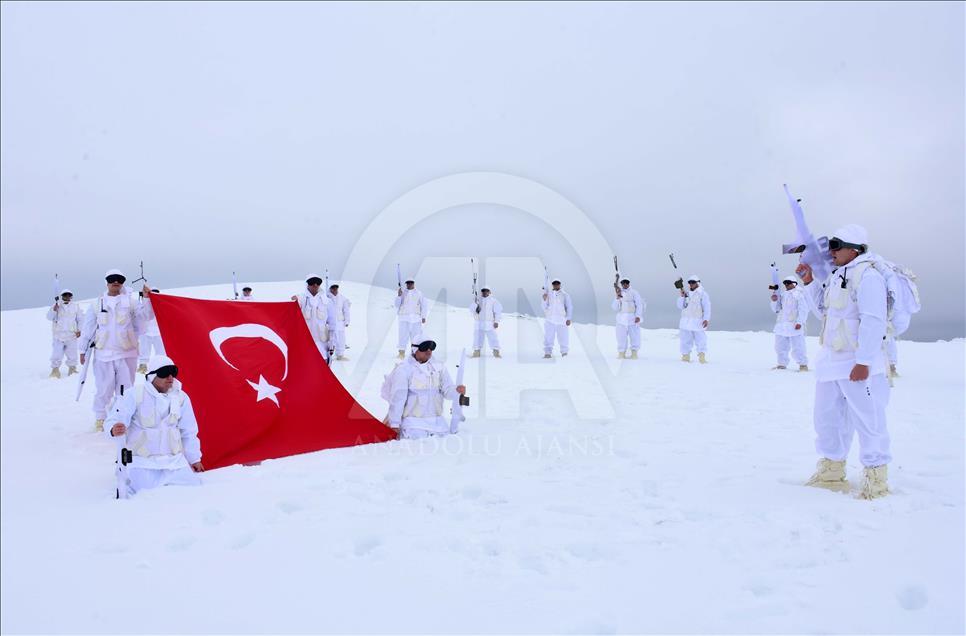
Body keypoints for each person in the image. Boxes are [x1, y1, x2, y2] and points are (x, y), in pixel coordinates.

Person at [797, 224, 891, 499]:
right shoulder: (838, 275)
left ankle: (876, 478)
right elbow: (824, 313)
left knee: (868, 418)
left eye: (836, 246)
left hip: (858, 363)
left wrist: (863, 361)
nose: (832, 253)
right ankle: (831, 471)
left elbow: (874, 320)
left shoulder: (868, 275)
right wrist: (809, 282)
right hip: (831, 362)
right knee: (826, 417)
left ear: (854, 249)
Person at [106, 355, 204, 497]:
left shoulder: (181, 397)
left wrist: (194, 458)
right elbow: (114, 419)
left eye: (173, 373)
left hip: (173, 462)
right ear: (152, 376)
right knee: (146, 494)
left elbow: (189, 431)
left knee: (191, 490)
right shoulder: (134, 395)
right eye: (164, 374)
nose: (170, 378)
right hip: (143, 462)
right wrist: (113, 429)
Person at [80, 270, 154, 432]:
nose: (116, 282)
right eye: (112, 280)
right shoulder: (96, 304)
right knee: (103, 388)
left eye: (119, 280)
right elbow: (88, 328)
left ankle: (123, 418)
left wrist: (148, 299)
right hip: (103, 355)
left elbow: (146, 316)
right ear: (106, 282)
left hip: (127, 354)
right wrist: (82, 350)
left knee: (126, 389)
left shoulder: (131, 302)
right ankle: (101, 418)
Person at [384, 338, 466, 439]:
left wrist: (456, 391)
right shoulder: (404, 370)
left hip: (438, 424)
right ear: (415, 350)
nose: (429, 351)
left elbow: (447, 390)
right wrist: (395, 424)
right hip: (413, 425)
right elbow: (397, 399)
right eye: (425, 348)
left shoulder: (439, 368)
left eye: (431, 348)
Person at [770, 276, 809, 371]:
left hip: (794, 324)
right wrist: (774, 301)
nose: (786, 285)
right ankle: (781, 364)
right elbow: (776, 309)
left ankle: (803, 365)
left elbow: (803, 309)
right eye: (785, 283)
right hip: (782, 325)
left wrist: (800, 321)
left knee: (798, 346)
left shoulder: (799, 294)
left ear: (794, 283)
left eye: (789, 282)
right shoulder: (783, 295)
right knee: (780, 346)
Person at [292, 274, 331, 362]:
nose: (315, 285)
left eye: (318, 283)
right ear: (307, 284)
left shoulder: (327, 301)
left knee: (323, 367)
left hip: (322, 342)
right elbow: (291, 310)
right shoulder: (301, 298)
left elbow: (332, 323)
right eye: (312, 282)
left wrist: (332, 344)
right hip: (305, 341)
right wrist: (293, 300)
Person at [46, 289, 81, 378]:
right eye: (65, 295)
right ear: (62, 296)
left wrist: (79, 330)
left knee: (72, 353)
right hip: (58, 335)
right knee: (57, 353)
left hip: (71, 335)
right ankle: (55, 371)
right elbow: (49, 317)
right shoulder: (56, 306)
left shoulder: (76, 306)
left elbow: (80, 319)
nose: (67, 297)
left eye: (69, 295)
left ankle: (72, 369)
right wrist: (54, 310)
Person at [677, 274, 711, 363]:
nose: (691, 284)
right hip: (685, 322)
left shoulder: (703, 294)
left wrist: (706, 319)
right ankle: (685, 356)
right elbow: (680, 306)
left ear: (698, 283)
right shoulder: (686, 294)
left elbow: (707, 307)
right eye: (689, 282)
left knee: (701, 340)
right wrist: (681, 296)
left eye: (693, 282)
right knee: (685, 340)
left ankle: (702, 357)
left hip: (697, 322)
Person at [394, 279, 428, 359]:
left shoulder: (419, 293)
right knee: (403, 335)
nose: (409, 284)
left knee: (416, 337)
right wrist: (399, 296)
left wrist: (423, 317)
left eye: (411, 283)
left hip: (416, 319)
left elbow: (424, 305)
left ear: (414, 283)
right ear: (406, 284)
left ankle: (415, 353)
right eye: (408, 283)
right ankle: (401, 353)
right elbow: (397, 305)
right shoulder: (402, 293)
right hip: (404, 318)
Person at [612, 278, 645, 359]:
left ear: (629, 283)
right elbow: (614, 307)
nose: (625, 284)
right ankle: (621, 353)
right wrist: (617, 298)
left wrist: (638, 316)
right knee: (621, 337)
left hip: (632, 318)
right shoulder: (619, 292)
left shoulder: (634, 292)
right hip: (621, 319)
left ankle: (634, 353)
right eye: (623, 283)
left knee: (635, 336)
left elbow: (639, 305)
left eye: (626, 282)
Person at [542, 279, 573, 359]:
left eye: (557, 283)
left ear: (560, 284)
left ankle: (564, 353)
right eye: (554, 283)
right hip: (550, 320)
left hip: (562, 320)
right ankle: (547, 353)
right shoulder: (548, 294)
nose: (556, 285)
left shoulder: (565, 295)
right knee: (548, 337)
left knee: (563, 337)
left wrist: (568, 318)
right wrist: (544, 299)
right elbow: (544, 307)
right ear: (552, 284)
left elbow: (569, 307)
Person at [137, 288, 165, 374]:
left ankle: (162, 366)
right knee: (144, 350)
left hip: (158, 333)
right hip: (145, 333)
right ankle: (143, 366)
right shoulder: (142, 305)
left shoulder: (162, 305)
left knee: (161, 352)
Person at [470, 287, 503, 358]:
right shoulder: (477, 300)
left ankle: (496, 352)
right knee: (477, 338)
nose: (485, 292)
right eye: (483, 291)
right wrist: (475, 303)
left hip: (490, 324)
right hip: (479, 323)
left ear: (490, 292)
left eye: (487, 291)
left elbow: (498, 312)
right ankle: (476, 352)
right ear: (481, 292)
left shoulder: (494, 301)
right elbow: (472, 310)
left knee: (493, 338)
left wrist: (496, 321)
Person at [327, 284, 351, 361]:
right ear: (330, 289)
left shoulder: (342, 298)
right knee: (330, 339)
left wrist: (347, 321)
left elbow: (346, 310)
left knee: (341, 338)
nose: (335, 290)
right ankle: (328, 355)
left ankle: (340, 355)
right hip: (330, 323)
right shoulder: (326, 298)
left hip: (340, 322)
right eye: (333, 288)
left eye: (336, 288)